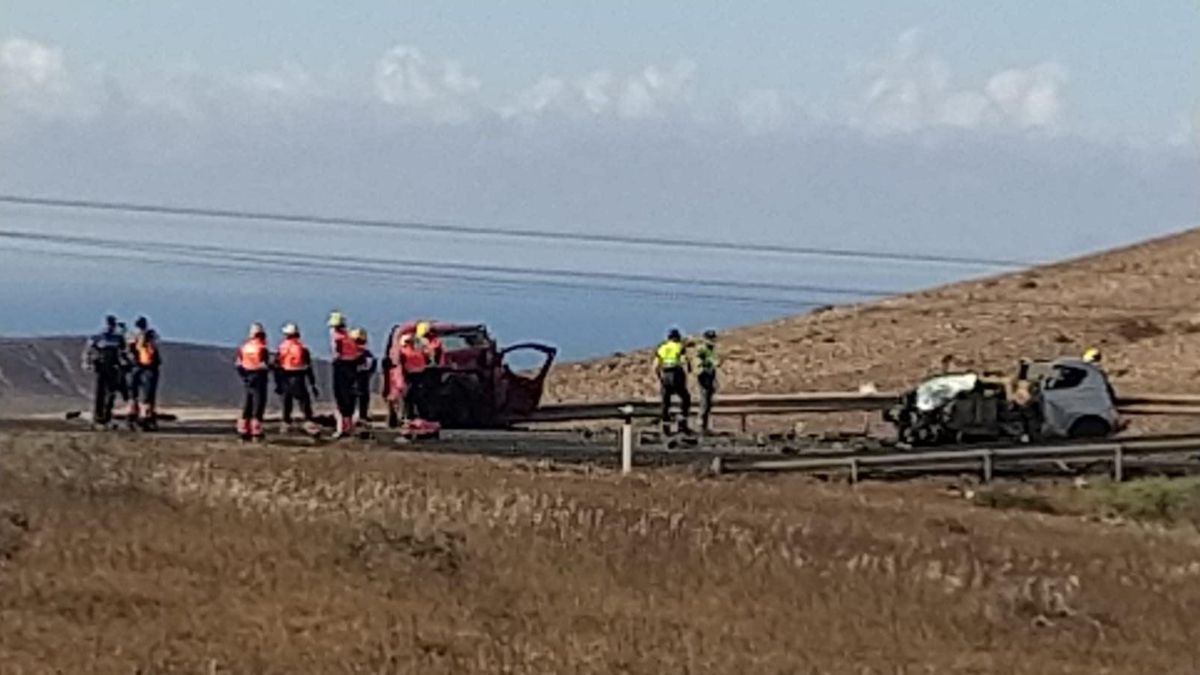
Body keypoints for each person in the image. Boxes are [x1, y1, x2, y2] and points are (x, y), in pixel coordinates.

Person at [82, 315, 126, 429]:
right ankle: (98, 417)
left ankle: (106, 417)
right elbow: (88, 350)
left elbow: (123, 351)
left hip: (113, 367)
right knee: (100, 392)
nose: (111, 326)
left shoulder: (118, 337)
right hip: (102, 366)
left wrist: (125, 363)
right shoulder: (99, 337)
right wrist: (88, 362)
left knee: (111, 393)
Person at [274, 323, 319, 436]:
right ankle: (309, 422)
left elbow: (276, 365)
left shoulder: (281, 348)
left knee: (286, 402)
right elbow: (308, 368)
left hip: (285, 377)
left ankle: (285, 424)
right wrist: (313, 384)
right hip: (299, 377)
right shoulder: (303, 349)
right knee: (304, 402)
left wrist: (278, 383)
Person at [328, 311, 363, 438]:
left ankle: (342, 427)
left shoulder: (337, 338)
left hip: (342, 367)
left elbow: (336, 353)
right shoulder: (349, 337)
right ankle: (349, 426)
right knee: (349, 397)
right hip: (352, 367)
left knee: (340, 397)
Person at [126, 316, 163, 430]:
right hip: (148, 367)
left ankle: (134, 415)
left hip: (138, 367)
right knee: (147, 394)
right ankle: (144, 416)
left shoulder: (133, 335)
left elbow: (128, 350)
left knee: (135, 393)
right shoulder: (151, 335)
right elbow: (155, 347)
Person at [236, 323, 270, 441]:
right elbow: (264, 365)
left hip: (247, 377)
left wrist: (244, 377)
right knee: (258, 404)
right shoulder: (262, 348)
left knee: (248, 403)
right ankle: (256, 431)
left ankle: (243, 430)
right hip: (259, 377)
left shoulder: (244, 347)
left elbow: (238, 364)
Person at [655, 327, 692, 435]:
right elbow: (684, 361)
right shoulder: (679, 347)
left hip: (665, 374)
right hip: (676, 374)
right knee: (685, 398)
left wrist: (660, 378)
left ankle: (665, 428)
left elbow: (655, 366)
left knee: (665, 402)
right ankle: (682, 424)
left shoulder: (662, 348)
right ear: (677, 337)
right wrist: (689, 369)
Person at [397, 333, 429, 420]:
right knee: (415, 397)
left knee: (409, 397)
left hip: (410, 375)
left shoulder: (403, 352)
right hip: (417, 375)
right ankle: (413, 415)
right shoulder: (418, 352)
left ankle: (408, 415)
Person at [351, 327, 377, 428]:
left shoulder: (351, 355)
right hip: (363, 381)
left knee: (352, 401)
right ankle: (362, 416)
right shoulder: (368, 354)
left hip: (355, 382)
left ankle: (354, 418)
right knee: (363, 399)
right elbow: (372, 368)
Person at [696, 329, 719, 434]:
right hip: (704, 377)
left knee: (708, 402)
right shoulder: (702, 350)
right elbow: (698, 363)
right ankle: (701, 425)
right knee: (704, 401)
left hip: (709, 377)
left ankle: (704, 426)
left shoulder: (710, 350)